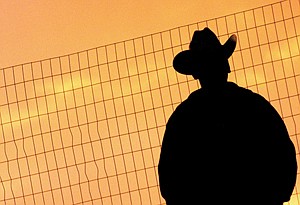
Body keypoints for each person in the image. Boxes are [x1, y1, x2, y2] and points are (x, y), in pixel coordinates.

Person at [158, 27, 297, 205]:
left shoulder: (184, 117)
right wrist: (276, 196)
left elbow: (170, 175)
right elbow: (283, 154)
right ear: (226, 65)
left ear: (195, 73)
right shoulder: (255, 105)